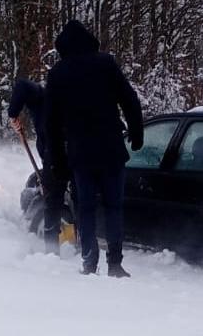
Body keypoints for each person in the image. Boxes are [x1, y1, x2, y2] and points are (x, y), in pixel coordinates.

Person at [44, 20, 143, 278]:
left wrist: (55, 158)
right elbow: (129, 99)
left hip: (81, 154)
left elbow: (50, 122)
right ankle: (115, 263)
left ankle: (89, 261)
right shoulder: (106, 64)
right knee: (114, 206)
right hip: (111, 149)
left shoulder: (57, 74)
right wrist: (137, 131)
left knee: (85, 208)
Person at [8, 79, 67, 255]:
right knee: (55, 202)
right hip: (58, 158)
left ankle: (56, 249)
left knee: (54, 203)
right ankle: (53, 249)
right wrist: (14, 114)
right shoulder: (42, 97)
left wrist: (13, 114)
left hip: (60, 158)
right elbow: (22, 86)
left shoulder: (46, 99)